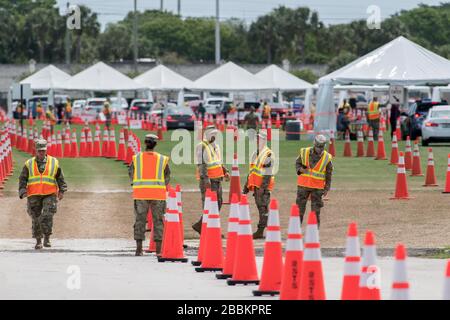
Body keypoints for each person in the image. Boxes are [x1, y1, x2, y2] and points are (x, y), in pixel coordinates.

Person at [18, 139, 67, 249]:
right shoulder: (29, 163)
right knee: (35, 217)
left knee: (47, 215)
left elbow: (60, 177)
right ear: (36, 150)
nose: (41, 152)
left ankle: (47, 238)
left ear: (46, 150)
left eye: (43, 150)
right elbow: (22, 178)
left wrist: (62, 190)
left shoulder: (54, 162)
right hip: (33, 195)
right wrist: (22, 191)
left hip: (49, 194)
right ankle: (38, 240)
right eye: (39, 150)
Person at [128, 134, 171, 256]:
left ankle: (139, 249)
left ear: (145, 143)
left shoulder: (136, 158)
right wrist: (161, 186)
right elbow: (167, 176)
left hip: (140, 194)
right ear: (155, 144)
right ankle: (158, 250)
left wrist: (135, 184)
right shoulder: (162, 159)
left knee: (140, 220)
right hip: (158, 194)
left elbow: (131, 173)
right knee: (158, 221)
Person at [192, 125, 229, 234]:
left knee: (218, 203)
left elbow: (218, 161)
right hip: (208, 180)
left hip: (217, 179)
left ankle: (201, 225)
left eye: (215, 134)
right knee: (209, 205)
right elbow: (202, 165)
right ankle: (208, 229)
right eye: (212, 134)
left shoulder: (216, 146)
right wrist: (206, 179)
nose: (214, 136)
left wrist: (225, 171)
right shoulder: (202, 146)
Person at [295, 135, 333, 228]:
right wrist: (300, 170)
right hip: (303, 186)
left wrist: (327, 188)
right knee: (299, 210)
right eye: (318, 146)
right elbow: (297, 163)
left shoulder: (327, 158)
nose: (319, 149)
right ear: (314, 144)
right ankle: (295, 230)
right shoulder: (304, 152)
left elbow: (329, 174)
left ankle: (314, 232)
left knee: (315, 212)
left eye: (321, 147)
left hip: (317, 188)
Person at [243, 131, 275, 239]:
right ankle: (268, 229)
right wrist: (246, 185)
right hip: (256, 186)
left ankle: (262, 230)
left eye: (260, 138)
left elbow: (267, 173)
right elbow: (252, 171)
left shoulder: (268, 154)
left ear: (264, 140)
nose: (258, 140)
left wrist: (263, 187)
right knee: (261, 208)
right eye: (257, 138)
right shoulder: (256, 153)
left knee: (263, 208)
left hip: (263, 188)